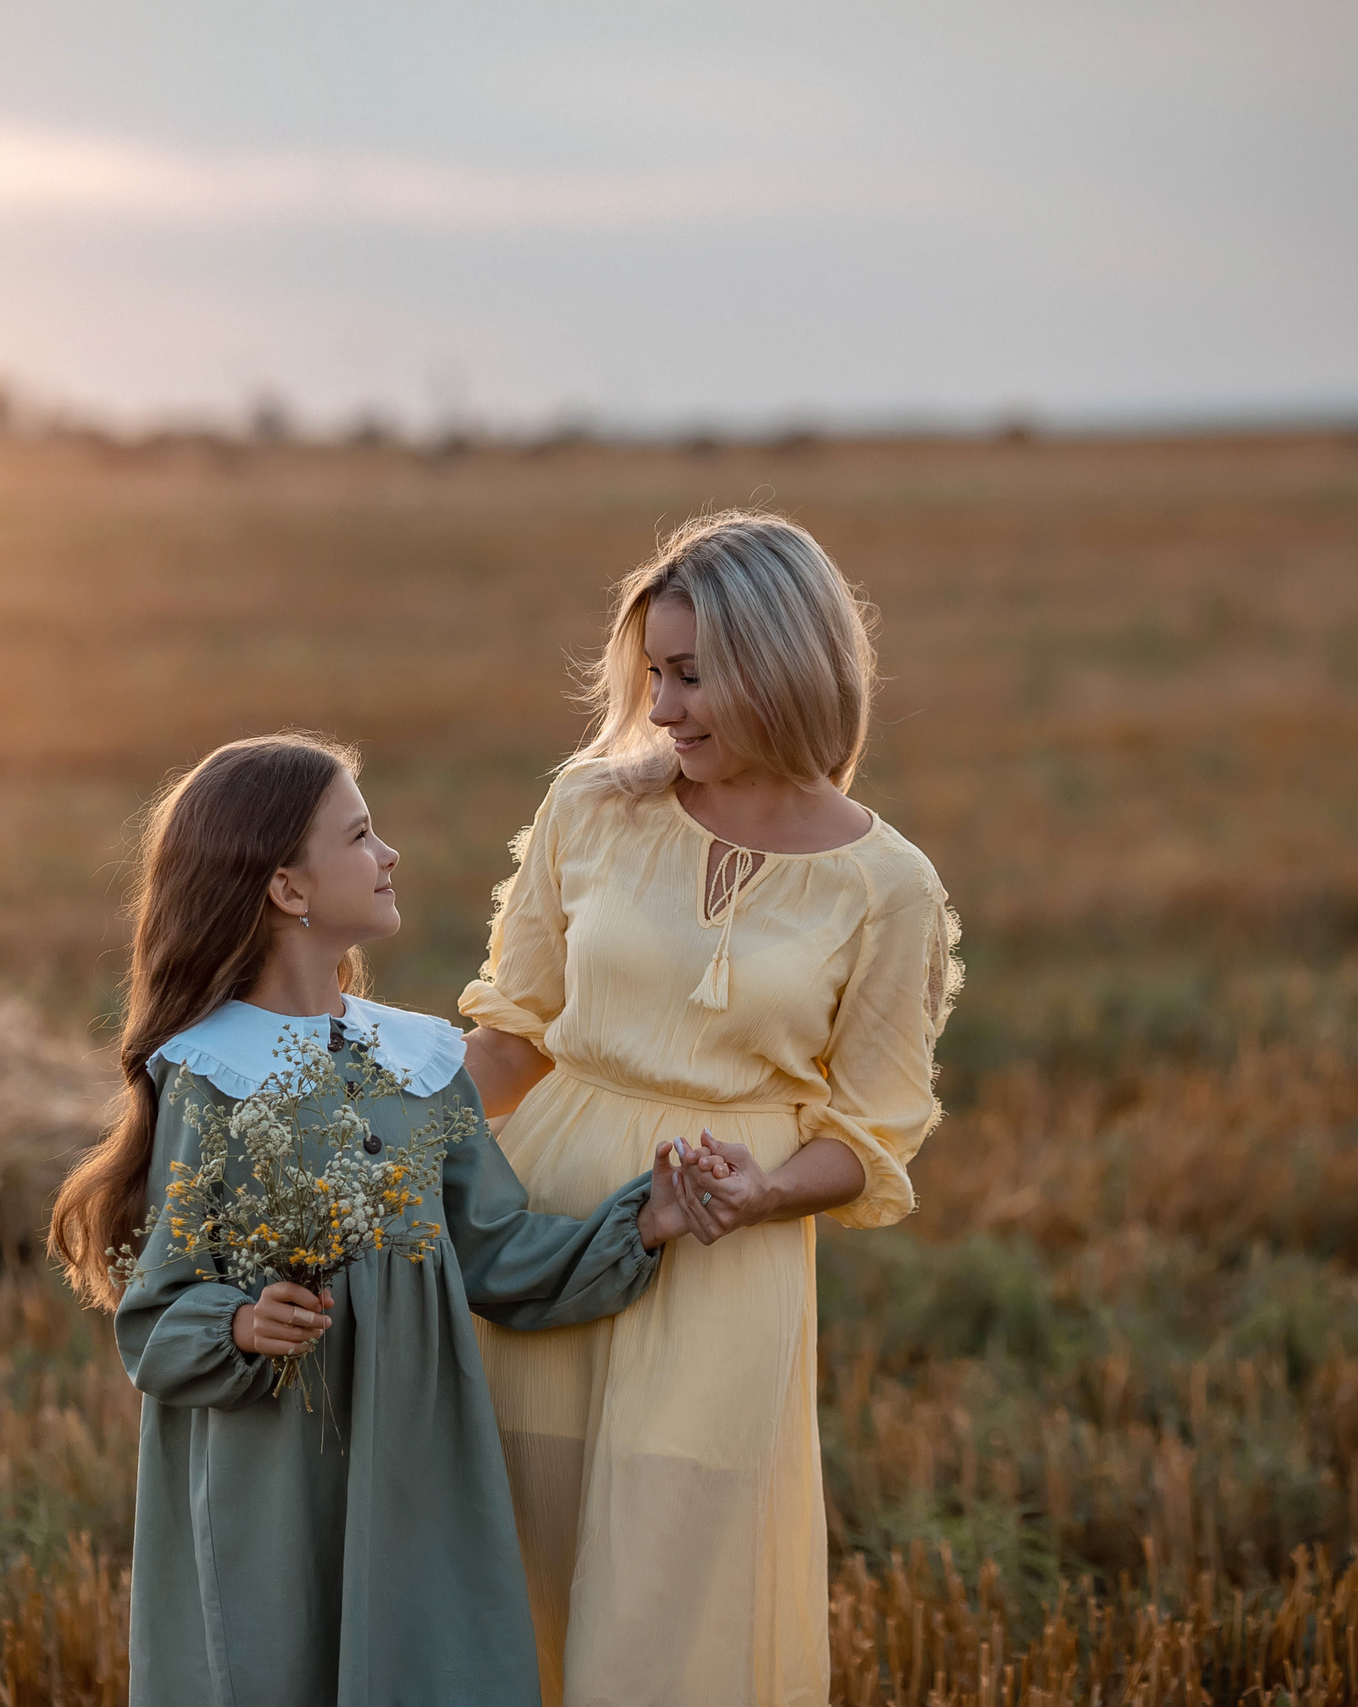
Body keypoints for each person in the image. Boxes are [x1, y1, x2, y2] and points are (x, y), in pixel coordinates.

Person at [48, 731, 740, 1707]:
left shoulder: (416, 1060)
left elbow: (495, 1253)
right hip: (275, 1473)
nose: (389, 854)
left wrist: (646, 1220)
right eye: (360, 835)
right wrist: (240, 1323)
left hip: (416, 1459)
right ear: (287, 887)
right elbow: (157, 1314)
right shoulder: (213, 1075)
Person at [462, 512, 962, 1707]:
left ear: (782, 666)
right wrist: (378, 1162)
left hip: (723, 1258)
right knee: (523, 1558)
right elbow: (512, 1036)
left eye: (692, 675)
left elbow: (872, 1133)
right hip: (546, 1226)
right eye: (654, 674)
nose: (664, 708)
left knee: (668, 1587)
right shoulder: (590, 808)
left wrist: (764, 1192)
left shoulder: (888, 887)